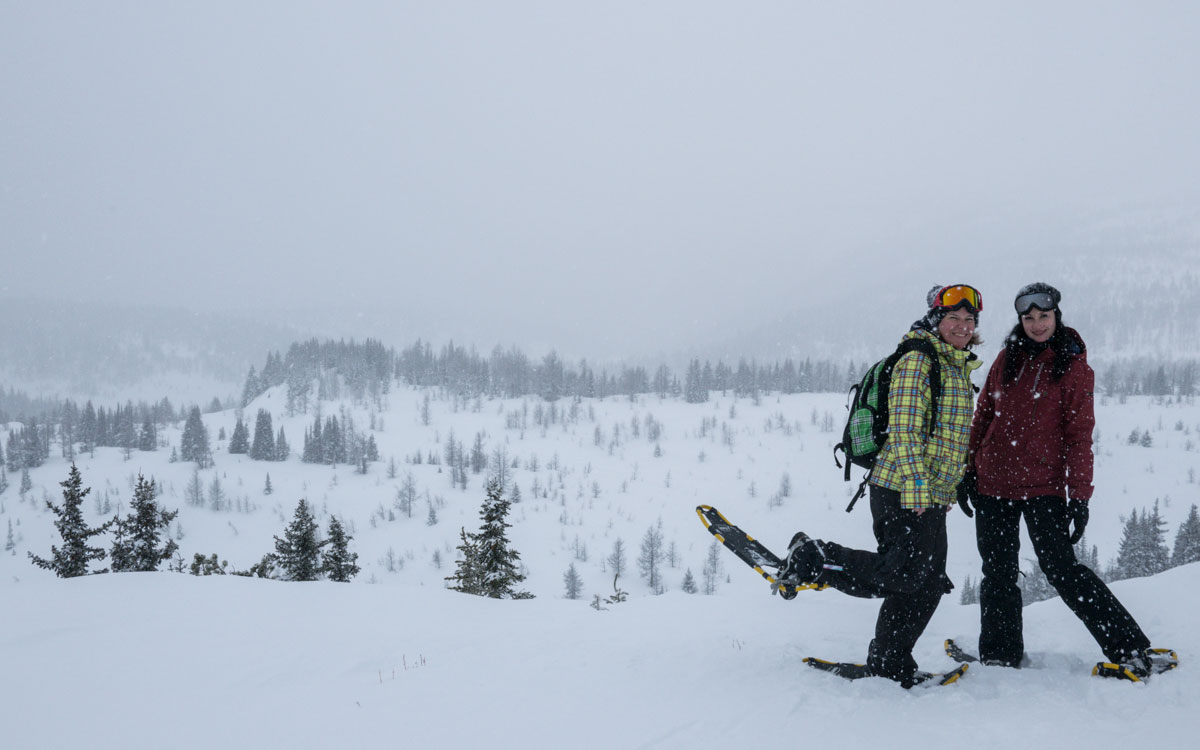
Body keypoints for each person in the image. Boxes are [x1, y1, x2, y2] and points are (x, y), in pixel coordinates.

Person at [779, 284, 983, 688]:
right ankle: (816, 557)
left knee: (927, 583)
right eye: (952, 319)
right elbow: (905, 432)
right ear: (935, 320)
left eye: (968, 320)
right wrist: (920, 488)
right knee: (904, 575)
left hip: (930, 493)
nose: (961, 326)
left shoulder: (956, 365)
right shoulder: (918, 362)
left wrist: (949, 486)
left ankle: (890, 662)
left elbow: (949, 436)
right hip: (901, 488)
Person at [960, 282, 1159, 676]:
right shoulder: (1007, 358)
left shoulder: (1073, 368)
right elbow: (984, 414)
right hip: (994, 484)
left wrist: (1079, 496)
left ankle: (1129, 647)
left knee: (1063, 570)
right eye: (1029, 318)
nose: (1036, 324)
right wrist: (969, 470)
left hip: (1044, 489)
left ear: (1057, 317)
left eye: (1043, 316)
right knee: (997, 573)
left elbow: (1078, 437)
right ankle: (1000, 654)